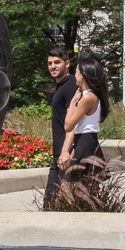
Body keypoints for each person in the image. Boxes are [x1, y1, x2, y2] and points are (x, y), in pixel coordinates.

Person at [58, 53, 112, 172]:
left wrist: (72, 103)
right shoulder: (91, 95)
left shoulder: (88, 98)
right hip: (86, 140)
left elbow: (68, 126)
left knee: (80, 185)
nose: (75, 75)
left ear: (82, 75)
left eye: (76, 72)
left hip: (85, 141)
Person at [44, 48, 75, 206]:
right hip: (60, 153)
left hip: (65, 154)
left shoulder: (70, 85)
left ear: (67, 63)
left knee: (53, 204)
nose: (53, 66)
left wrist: (65, 151)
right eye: (50, 63)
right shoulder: (61, 86)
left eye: (57, 62)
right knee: (51, 204)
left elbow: (74, 120)